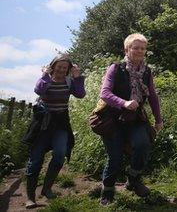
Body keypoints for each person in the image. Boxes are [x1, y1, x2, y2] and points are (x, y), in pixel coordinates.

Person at [98, 33, 163, 205]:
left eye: (143, 48)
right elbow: (104, 93)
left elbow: (153, 97)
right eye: (136, 47)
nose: (140, 51)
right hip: (112, 119)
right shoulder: (116, 68)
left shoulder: (147, 72)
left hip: (135, 119)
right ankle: (108, 191)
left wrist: (158, 119)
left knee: (143, 145)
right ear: (127, 49)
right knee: (115, 158)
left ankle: (133, 180)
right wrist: (124, 103)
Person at [23, 53, 85, 209]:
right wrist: (45, 75)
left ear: (69, 69)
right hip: (42, 125)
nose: (62, 70)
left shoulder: (70, 81)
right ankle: (30, 198)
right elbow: (38, 90)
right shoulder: (46, 80)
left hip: (61, 124)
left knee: (59, 154)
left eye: (65, 67)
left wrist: (78, 77)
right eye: (59, 67)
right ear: (53, 67)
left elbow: (80, 94)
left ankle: (46, 188)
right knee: (36, 159)